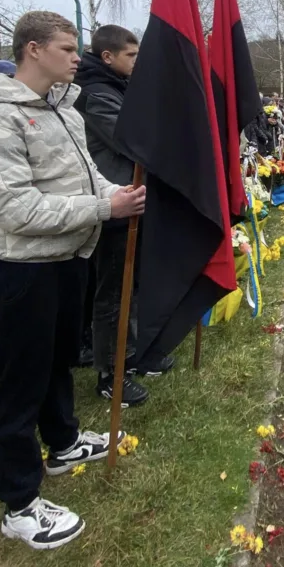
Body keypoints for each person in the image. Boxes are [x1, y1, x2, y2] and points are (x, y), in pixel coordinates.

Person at [0, 10, 145, 549]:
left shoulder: (64, 107)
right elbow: (16, 209)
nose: (76, 57)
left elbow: (83, 172)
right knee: (19, 384)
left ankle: (62, 442)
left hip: (66, 256)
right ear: (32, 50)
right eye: (66, 47)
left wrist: (114, 194)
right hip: (21, 267)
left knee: (57, 360)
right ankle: (19, 502)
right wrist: (105, 209)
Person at [76, 25, 175, 407]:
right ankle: (110, 373)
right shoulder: (97, 94)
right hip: (117, 201)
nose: (137, 62)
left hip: (134, 198)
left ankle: (133, 352)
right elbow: (134, 138)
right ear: (108, 57)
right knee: (114, 293)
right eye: (131, 56)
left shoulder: (118, 87)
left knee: (132, 286)